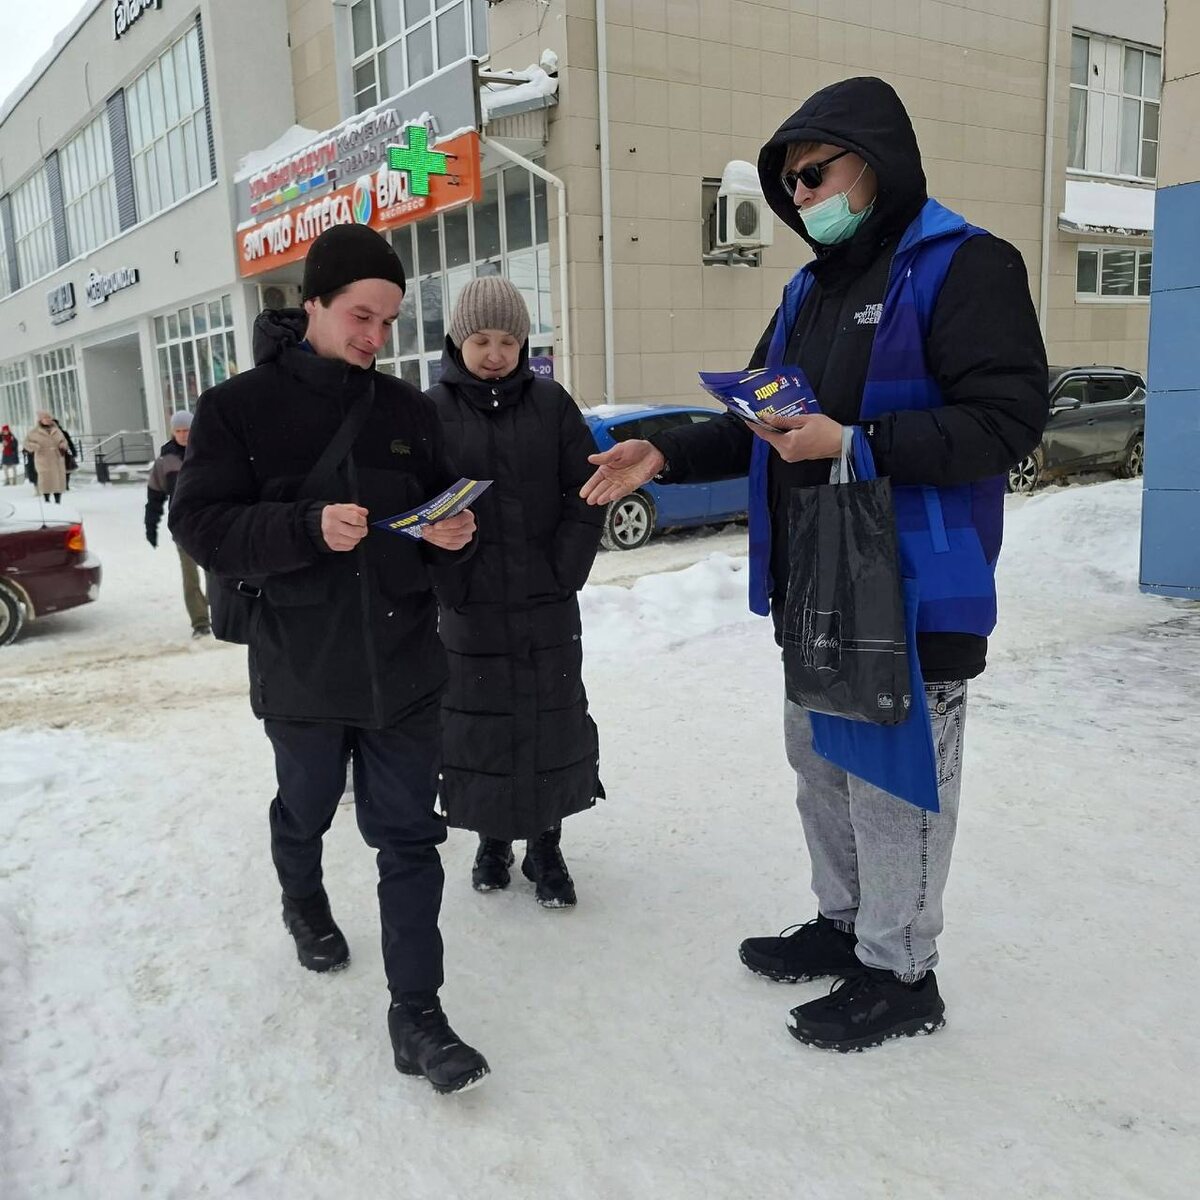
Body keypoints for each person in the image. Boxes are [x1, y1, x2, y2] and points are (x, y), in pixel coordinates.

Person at [581, 76, 1049, 1052]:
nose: (800, 198)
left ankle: (901, 972)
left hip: (913, 583)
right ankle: (844, 926)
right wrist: (663, 450)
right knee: (824, 768)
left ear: (875, 161)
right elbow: (756, 419)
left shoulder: (967, 266)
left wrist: (856, 441)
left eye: (813, 175)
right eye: (788, 184)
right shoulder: (809, 291)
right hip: (820, 575)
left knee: (895, 787)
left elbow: (1007, 421)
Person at [169, 223, 489, 1094]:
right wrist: (304, 527)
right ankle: (303, 897)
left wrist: (452, 534)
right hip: (302, 670)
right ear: (312, 303)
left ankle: (418, 1015)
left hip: (405, 665)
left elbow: (434, 519)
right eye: (360, 316)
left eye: (388, 321)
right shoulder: (237, 408)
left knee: (410, 840)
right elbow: (200, 525)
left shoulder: (408, 412)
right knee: (306, 806)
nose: (376, 337)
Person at [428, 276, 604, 907]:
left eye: (508, 340)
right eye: (481, 340)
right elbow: (418, 508)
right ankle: (493, 840)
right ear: (458, 340)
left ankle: (547, 847)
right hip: (470, 607)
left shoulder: (552, 403)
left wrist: (564, 570)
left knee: (549, 720)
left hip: (545, 603)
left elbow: (587, 492)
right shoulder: (432, 411)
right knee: (480, 726)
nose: (495, 354)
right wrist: (451, 575)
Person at [145, 410, 211, 638]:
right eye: (178, 431)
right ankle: (200, 622)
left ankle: (218, 609)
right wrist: (151, 526)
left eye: (187, 430)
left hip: (211, 524)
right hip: (184, 528)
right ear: (173, 432)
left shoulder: (208, 453)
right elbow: (154, 497)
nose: (183, 435)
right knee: (190, 577)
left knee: (216, 573)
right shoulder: (165, 462)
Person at [23, 411, 68, 503]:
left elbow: (64, 440)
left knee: (57, 481)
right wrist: (34, 446)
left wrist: (63, 445)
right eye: (45, 418)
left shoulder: (57, 430)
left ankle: (58, 501)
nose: (48, 420)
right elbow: (26, 443)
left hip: (56, 459)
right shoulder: (34, 432)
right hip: (43, 459)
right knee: (45, 480)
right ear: (40, 420)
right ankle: (47, 500)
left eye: (49, 418)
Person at [54, 419, 78, 490]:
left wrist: (74, 452)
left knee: (66, 470)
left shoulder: (63, 433)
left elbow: (70, 443)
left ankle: (65, 485)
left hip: (63, 454)